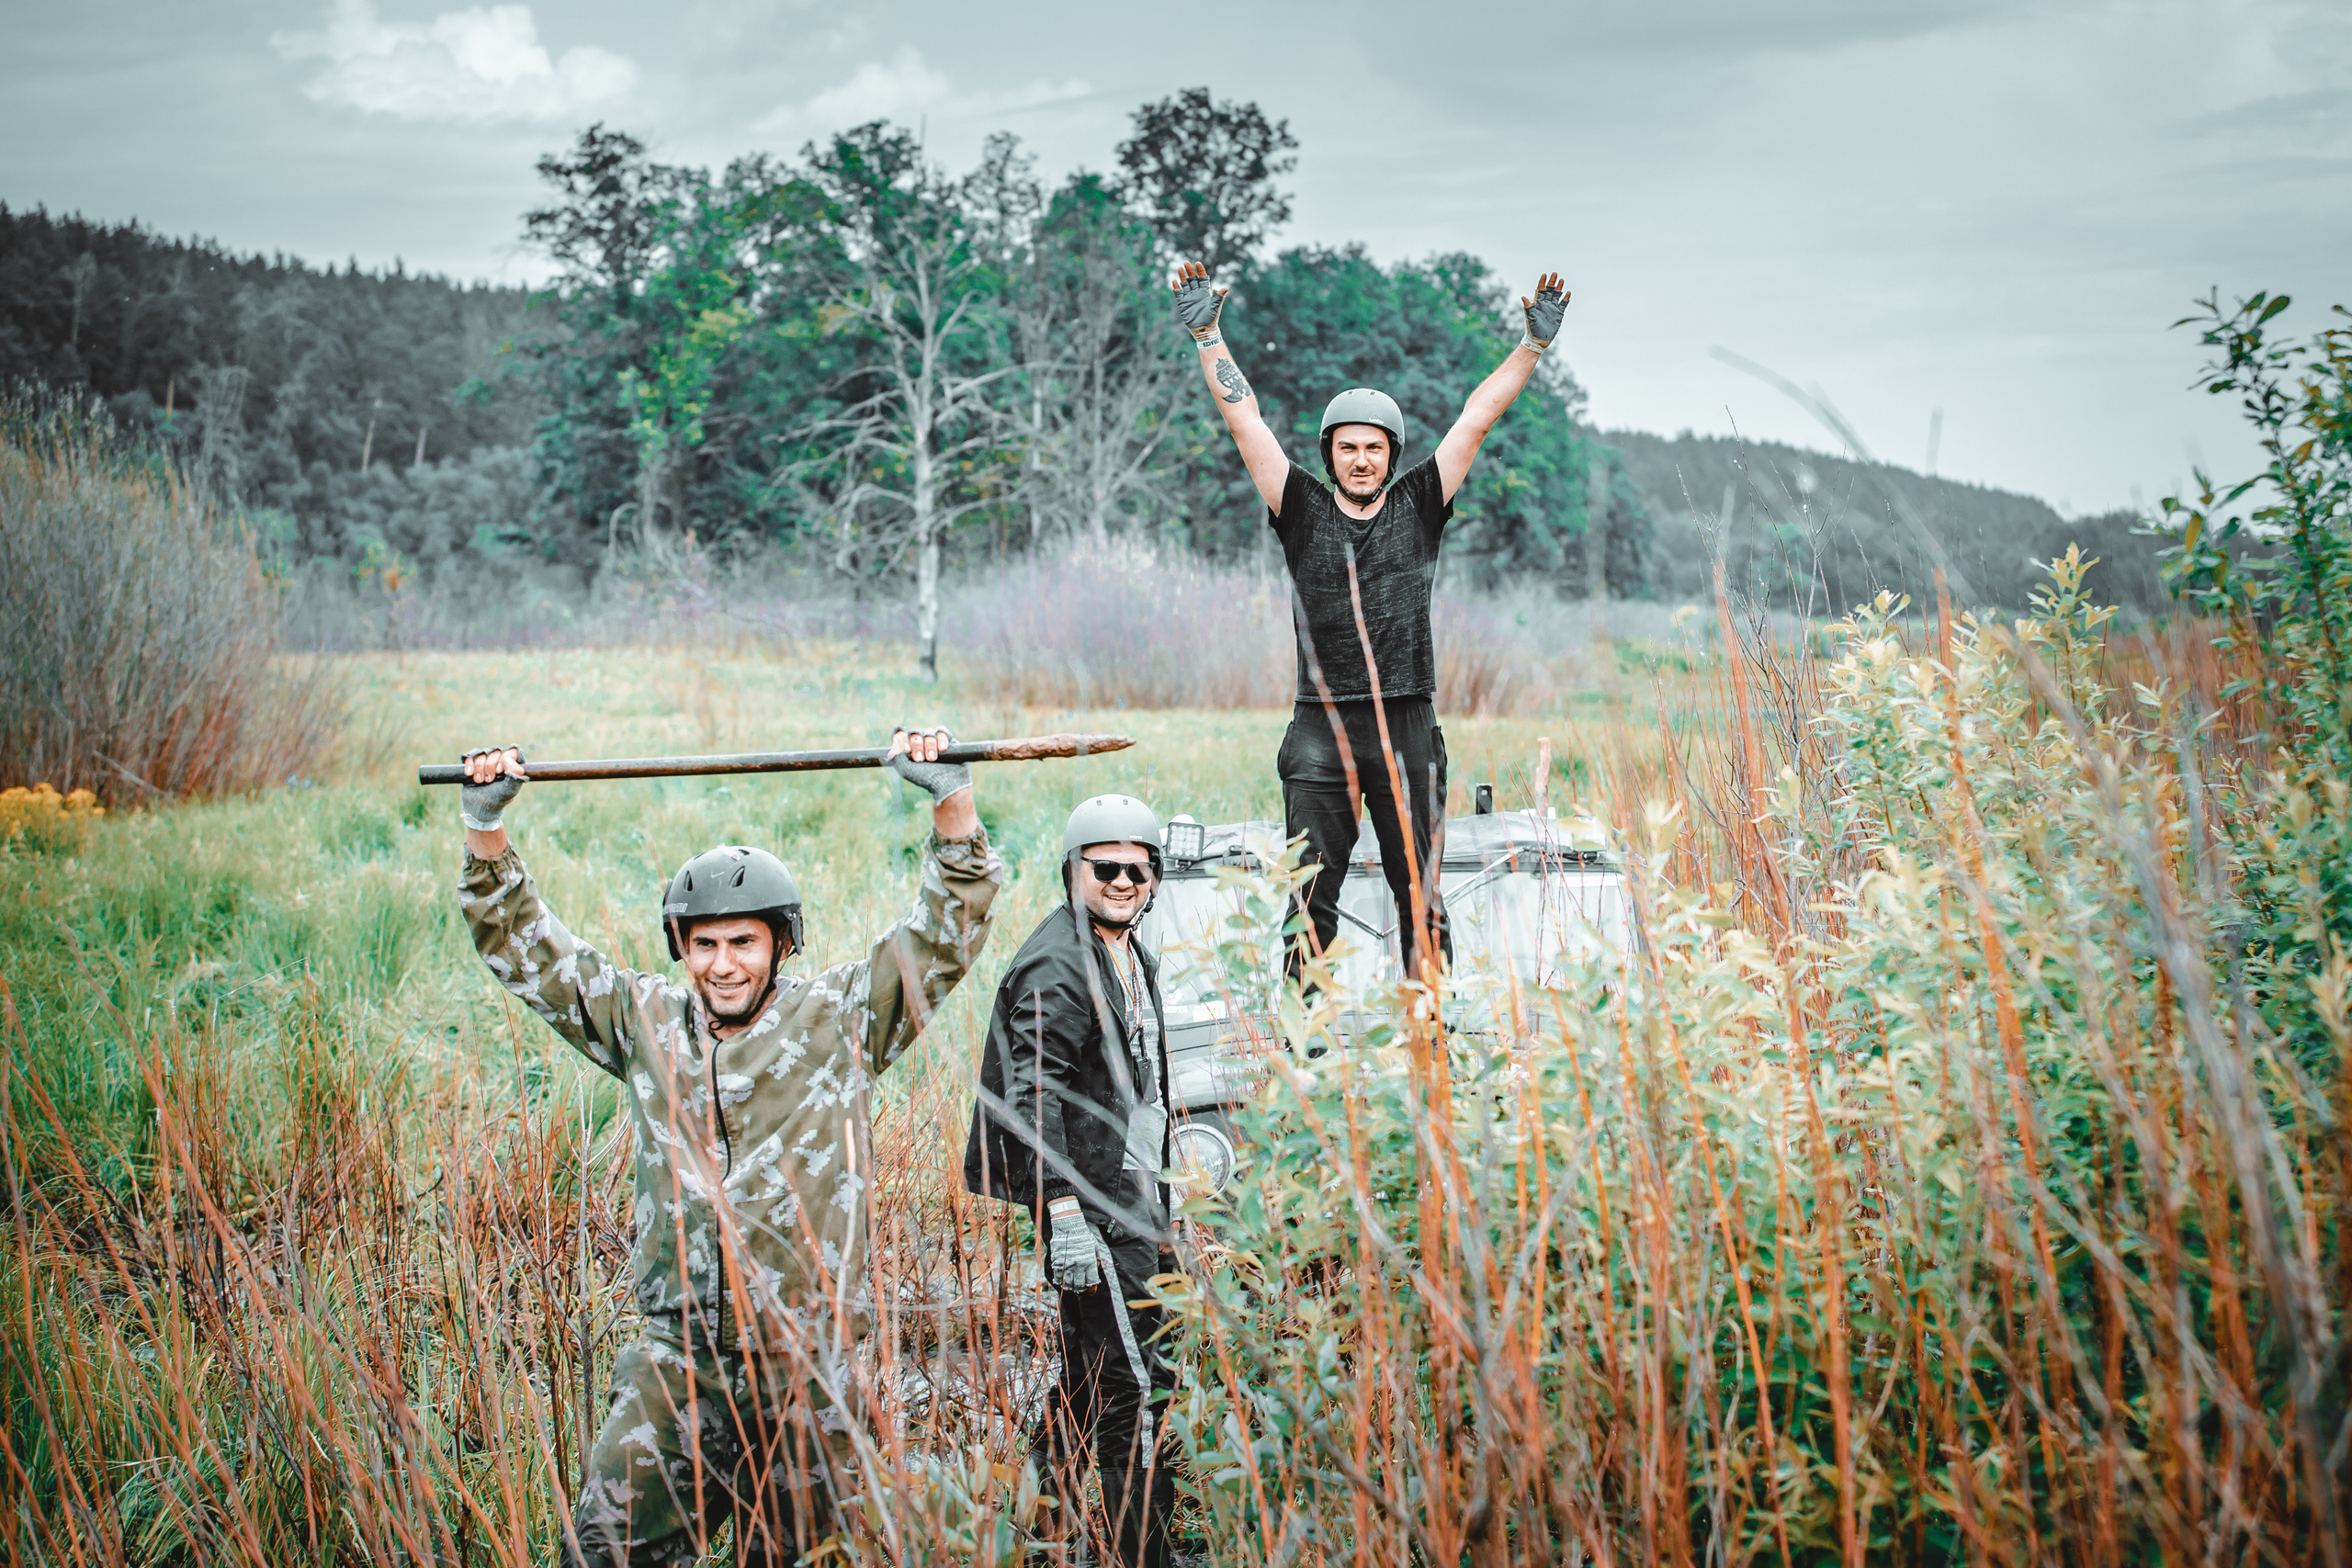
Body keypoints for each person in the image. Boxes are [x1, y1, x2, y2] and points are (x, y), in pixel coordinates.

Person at [454, 728, 1000, 1567]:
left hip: (804, 1361)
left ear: (781, 942)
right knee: (605, 1546)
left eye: (743, 940)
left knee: (812, 1555)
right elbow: (530, 950)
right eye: (703, 943)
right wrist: (486, 828)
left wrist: (950, 800)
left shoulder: (841, 1019)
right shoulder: (642, 1022)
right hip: (678, 1357)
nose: (722, 964)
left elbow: (944, 935)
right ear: (681, 947)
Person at [1171, 258, 1569, 987]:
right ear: (1330, 454)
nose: (1361, 458)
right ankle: (1304, 1057)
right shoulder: (1299, 506)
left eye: (1373, 446)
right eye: (1348, 446)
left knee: (1420, 902)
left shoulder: (1420, 504)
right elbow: (1242, 417)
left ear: (1391, 454)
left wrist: (1531, 348)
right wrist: (1207, 336)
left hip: (1407, 725)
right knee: (1308, 907)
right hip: (1320, 729)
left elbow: (1476, 418)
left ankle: (1430, 1045)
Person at [962, 795, 1178, 1568]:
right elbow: (1036, 1094)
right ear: (1072, 869)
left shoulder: (1125, 949)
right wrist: (1063, 1210)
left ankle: (1038, 1518)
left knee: (1097, 1371)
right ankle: (1141, 1551)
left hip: (1133, 1199)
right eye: (1105, 867)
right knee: (1134, 1385)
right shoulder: (1058, 960)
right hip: (1091, 1204)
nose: (1123, 880)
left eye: (1138, 867)